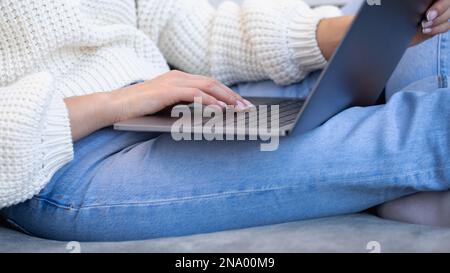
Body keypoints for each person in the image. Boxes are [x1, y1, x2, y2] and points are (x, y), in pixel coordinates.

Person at [0, 0, 449, 242]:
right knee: (424, 127)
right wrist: (115, 102)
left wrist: (333, 34)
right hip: (61, 158)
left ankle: (397, 182)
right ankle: (405, 175)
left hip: (164, 101)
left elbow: (182, 24)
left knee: (406, 21)